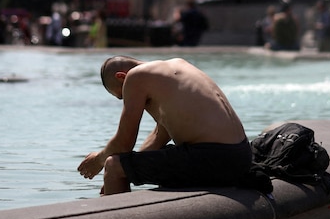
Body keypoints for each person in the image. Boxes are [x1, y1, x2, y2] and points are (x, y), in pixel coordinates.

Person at [77, 56, 251, 195]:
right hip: (241, 156)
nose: (126, 99)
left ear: (122, 77)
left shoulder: (135, 77)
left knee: (113, 165)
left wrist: (99, 160)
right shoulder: (177, 66)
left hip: (213, 158)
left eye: (121, 96)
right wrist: (128, 173)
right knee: (121, 167)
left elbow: (124, 143)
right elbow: (159, 137)